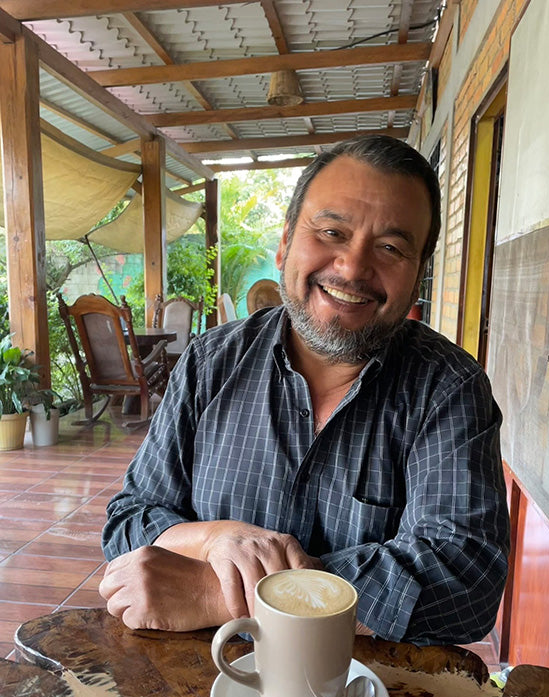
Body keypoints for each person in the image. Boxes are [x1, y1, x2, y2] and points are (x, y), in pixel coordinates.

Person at [100, 134, 510, 644]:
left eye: (390, 247)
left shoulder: (448, 389)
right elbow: (130, 518)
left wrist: (215, 593)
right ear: (286, 240)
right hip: (198, 686)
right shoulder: (210, 363)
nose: (354, 267)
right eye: (332, 231)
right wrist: (215, 540)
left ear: (418, 273)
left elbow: (467, 580)